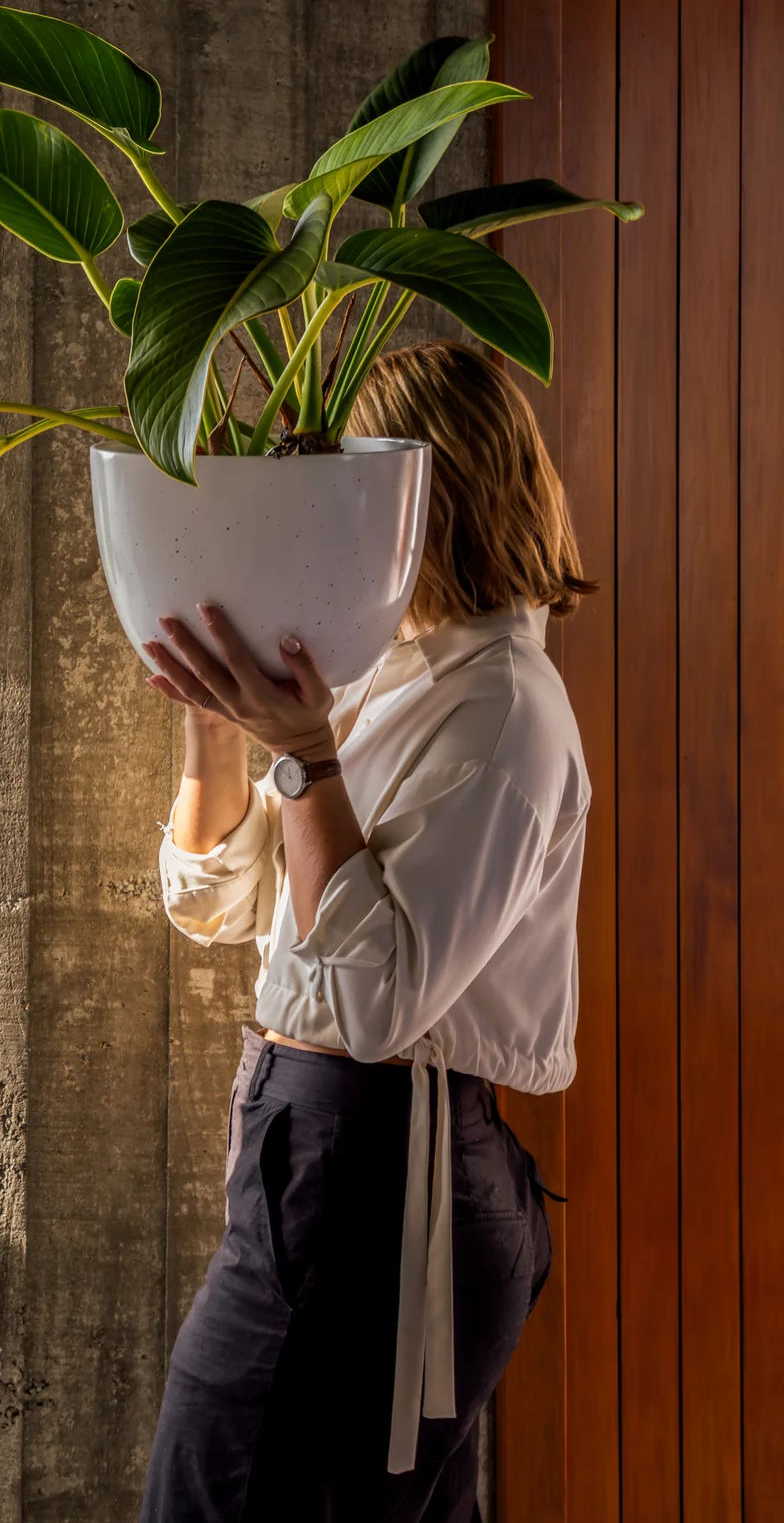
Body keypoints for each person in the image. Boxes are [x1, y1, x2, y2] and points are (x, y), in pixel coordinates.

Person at [137, 340, 594, 1523]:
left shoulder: (504, 710)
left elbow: (375, 997)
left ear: (424, 499)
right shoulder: (399, 673)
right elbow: (224, 905)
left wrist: (307, 755)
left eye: (347, 486)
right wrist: (216, 729)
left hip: (386, 1171)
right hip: (333, 1158)